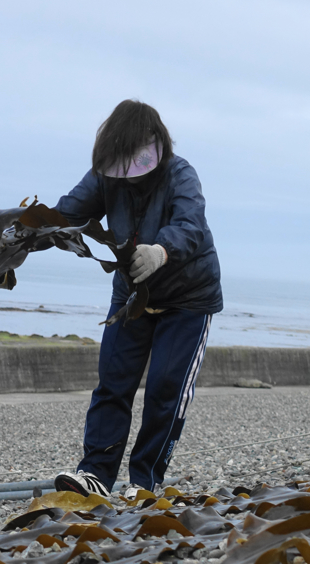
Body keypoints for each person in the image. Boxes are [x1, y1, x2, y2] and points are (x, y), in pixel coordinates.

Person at [52, 100, 223, 500]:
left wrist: (160, 251)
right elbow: (64, 215)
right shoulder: (106, 177)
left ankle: (145, 479)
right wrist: (15, 235)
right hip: (131, 296)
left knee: (166, 387)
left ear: (153, 143)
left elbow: (190, 224)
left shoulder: (181, 174)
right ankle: (94, 473)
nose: (126, 175)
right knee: (113, 384)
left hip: (188, 298)